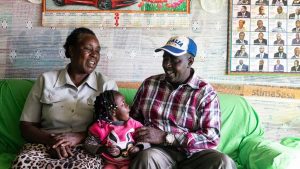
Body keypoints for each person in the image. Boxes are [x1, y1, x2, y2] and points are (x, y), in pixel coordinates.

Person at [11, 27, 118, 168]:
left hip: (87, 147)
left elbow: (114, 127)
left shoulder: (106, 85)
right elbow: (26, 126)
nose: (94, 55)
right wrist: (52, 141)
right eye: (88, 49)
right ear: (71, 50)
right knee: (22, 163)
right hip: (45, 143)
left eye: (97, 50)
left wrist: (80, 136)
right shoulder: (46, 80)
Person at [129, 36, 237, 169]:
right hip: (157, 153)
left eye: (174, 60)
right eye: (165, 58)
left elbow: (211, 138)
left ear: (190, 61)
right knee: (146, 158)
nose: (167, 64)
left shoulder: (205, 93)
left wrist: (165, 137)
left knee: (223, 162)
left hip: (193, 156)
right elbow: (131, 121)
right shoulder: (149, 85)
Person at [84, 90, 150, 169]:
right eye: (123, 103)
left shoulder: (133, 124)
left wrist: (138, 147)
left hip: (130, 163)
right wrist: (104, 149)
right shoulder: (100, 127)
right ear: (113, 112)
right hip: (110, 163)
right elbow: (88, 143)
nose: (127, 105)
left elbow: (146, 138)